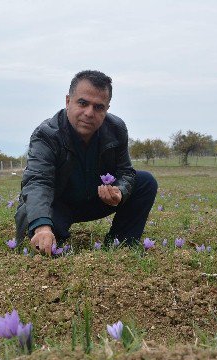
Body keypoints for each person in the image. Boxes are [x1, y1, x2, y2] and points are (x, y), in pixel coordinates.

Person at [15, 70, 158, 255]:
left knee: (145, 182)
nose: (89, 113)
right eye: (83, 103)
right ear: (68, 101)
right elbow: (37, 181)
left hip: (96, 198)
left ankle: (121, 244)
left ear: (107, 108)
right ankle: (48, 230)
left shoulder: (116, 128)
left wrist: (119, 192)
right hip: (57, 202)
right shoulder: (47, 134)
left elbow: (126, 172)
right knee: (44, 241)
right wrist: (42, 226)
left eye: (99, 107)